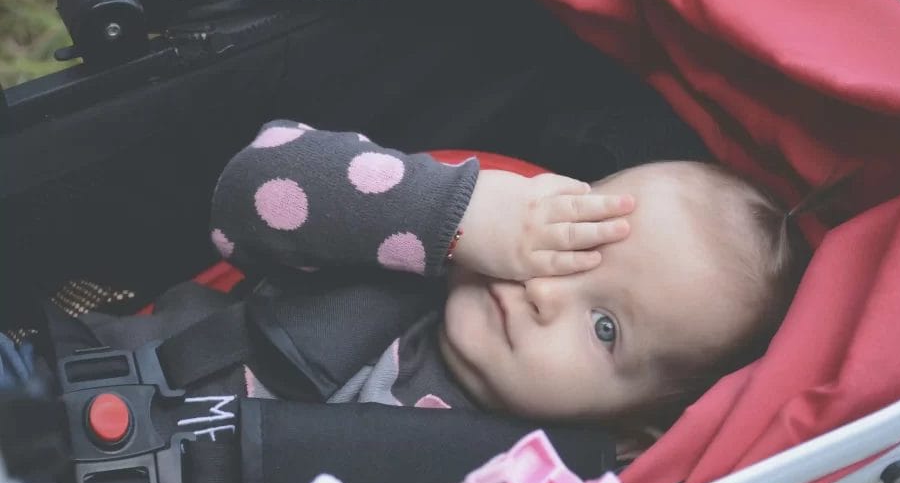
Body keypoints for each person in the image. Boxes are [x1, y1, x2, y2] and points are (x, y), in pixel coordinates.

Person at [210, 120, 806, 422]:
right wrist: (454, 211)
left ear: (629, 432)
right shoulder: (408, 240)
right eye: (568, 244)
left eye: (604, 327)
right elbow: (249, 186)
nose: (543, 290)